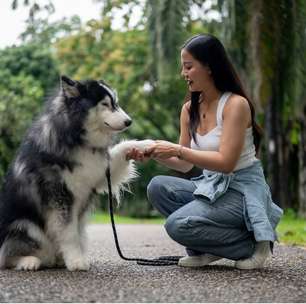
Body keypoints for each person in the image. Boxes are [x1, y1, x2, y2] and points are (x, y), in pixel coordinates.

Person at [126, 34, 283, 269]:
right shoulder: (189, 110)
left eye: (189, 67)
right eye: (183, 68)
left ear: (209, 67)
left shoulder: (235, 105)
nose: (183, 74)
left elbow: (226, 162)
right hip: (212, 186)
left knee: (176, 225)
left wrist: (177, 150)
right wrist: (154, 153)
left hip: (242, 190)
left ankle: (253, 244)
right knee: (158, 187)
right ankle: (205, 249)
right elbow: (185, 165)